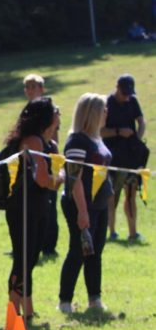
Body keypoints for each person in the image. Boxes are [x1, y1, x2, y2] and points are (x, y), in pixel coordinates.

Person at [2, 98, 61, 319]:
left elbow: (48, 179)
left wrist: (55, 178)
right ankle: (13, 310)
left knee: (32, 257)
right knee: (23, 257)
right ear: (45, 116)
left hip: (39, 207)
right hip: (22, 208)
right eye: (55, 110)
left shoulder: (48, 143)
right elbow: (44, 180)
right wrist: (61, 177)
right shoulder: (32, 142)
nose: (59, 113)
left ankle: (27, 309)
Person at [59, 93, 112, 314]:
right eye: (103, 109)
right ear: (92, 113)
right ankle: (65, 301)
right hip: (81, 204)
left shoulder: (97, 138)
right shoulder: (77, 141)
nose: (107, 113)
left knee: (96, 251)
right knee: (78, 250)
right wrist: (82, 212)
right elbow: (74, 179)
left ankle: (94, 298)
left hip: (99, 205)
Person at [103, 74, 148, 242]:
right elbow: (101, 131)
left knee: (131, 193)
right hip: (112, 155)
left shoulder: (132, 101)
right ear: (117, 88)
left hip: (130, 154)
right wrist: (118, 132)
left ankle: (132, 232)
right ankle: (112, 232)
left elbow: (141, 122)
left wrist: (137, 138)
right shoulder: (107, 104)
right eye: (124, 93)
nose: (126, 96)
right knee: (112, 194)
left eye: (129, 93)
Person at [22, 74, 61, 258]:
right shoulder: (28, 112)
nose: (30, 90)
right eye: (27, 87)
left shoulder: (49, 110)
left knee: (50, 208)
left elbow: (54, 140)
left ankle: (48, 245)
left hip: (47, 164)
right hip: (30, 182)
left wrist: (55, 161)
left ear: (41, 88)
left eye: (33, 86)